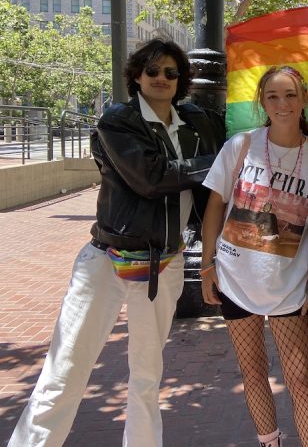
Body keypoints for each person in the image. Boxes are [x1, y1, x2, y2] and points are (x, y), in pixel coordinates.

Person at [9, 39, 223, 447]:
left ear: (182, 79)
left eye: (171, 72)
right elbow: (151, 177)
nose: (162, 78)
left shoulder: (197, 121)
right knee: (66, 369)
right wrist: (218, 161)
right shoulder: (117, 121)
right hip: (107, 260)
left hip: (165, 263)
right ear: (137, 77)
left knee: (147, 374)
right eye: (153, 70)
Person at [200, 66, 308, 447]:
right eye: (272, 96)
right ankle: (269, 443)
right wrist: (207, 265)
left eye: (290, 94)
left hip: (287, 285)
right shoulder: (241, 145)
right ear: (262, 102)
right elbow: (215, 205)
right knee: (252, 371)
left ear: (304, 98)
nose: (282, 104)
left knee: (300, 377)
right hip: (235, 280)